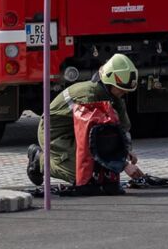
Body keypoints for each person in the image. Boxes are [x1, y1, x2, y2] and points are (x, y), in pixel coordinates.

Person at [27, 53, 146, 187]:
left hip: (76, 130)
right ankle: (38, 159)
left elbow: (122, 128)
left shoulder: (114, 96)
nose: (125, 93)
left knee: (97, 168)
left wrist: (126, 151)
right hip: (53, 133)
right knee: (81, 173)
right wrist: (124, 164)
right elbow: (96, 141)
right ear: (109, 82)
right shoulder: (89, 97)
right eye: (122, 89)